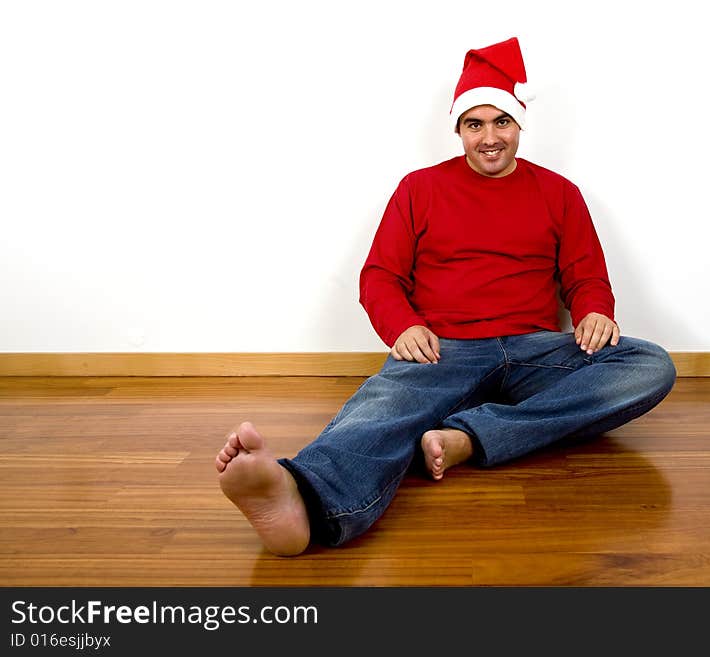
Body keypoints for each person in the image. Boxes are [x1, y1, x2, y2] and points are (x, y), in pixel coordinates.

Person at [215, 37, 676, 556]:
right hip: (446, 347)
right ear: (458, 129)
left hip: (535, 350)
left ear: (519, 123)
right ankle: (306, 500)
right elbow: (380, 276)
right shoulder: (420, 188)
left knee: (648, 364)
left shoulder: (559, 192)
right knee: (385, 407)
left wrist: (594, 311)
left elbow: (585, 274)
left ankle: (468, 438)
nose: (489, 137)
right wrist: (403, 326)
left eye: (500, 121)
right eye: (474, 124)